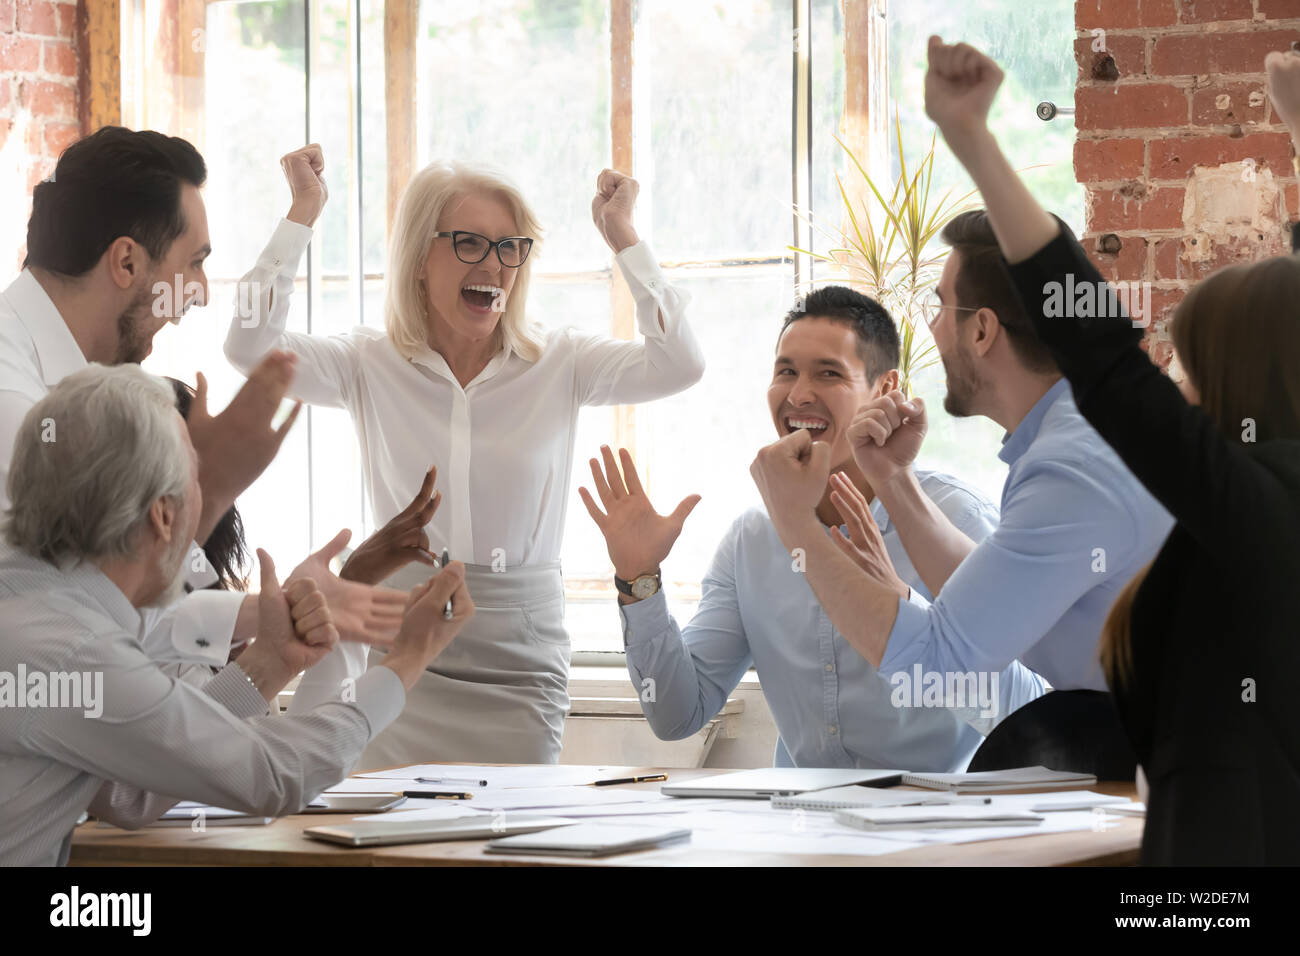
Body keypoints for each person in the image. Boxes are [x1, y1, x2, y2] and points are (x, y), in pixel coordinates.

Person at [919, 38, 1300, 863]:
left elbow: (1097, 350)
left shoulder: (1248, 502)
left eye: (1187, 367)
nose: (1174, 384)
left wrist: (975, 142)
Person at [748, 69, 1175, 776]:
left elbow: (943, 662)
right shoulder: (1069, 437)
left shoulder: (1073, 466)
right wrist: (893, 479)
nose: (931, 329)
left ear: (982, 332)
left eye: (941, 306)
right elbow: (987, 606)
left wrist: (795, 524)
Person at [225, 146, 706, 765]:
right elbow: (247, 347)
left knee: (510, 854)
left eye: (511, 247)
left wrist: (625, 240)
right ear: (420, 258)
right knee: (395, 846)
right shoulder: (366, 363)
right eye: (471, 243)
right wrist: (302, 213)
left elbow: (682, 364)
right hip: (403, 638)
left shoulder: (562, 361)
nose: (496, 265)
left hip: (522, 656)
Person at [0, 363, 474, 866]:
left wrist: (268, 664)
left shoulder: (38, 606)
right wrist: (408, 659)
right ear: (162, 516)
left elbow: (127, 791)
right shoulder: (76, 651)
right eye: (199, 480)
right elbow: (273, 775)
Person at [580, 287, 1045, 770]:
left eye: (828, 373)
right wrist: (640, 581)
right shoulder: (750, 541)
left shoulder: (954, 519)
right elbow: (677, 715)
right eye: (786, 372)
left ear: (886, 390)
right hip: (803, 827)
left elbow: (1028, 712)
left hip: (941, 826)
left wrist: (905, 614)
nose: (799, 394)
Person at [0, 126, 399, 673]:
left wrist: (273, 611)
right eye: (194, 263)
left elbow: (129, 614)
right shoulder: (17, 412)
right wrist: (210, 491)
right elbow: (86, 637)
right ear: (126, 263)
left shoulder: (76, 390)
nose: (202, 291)